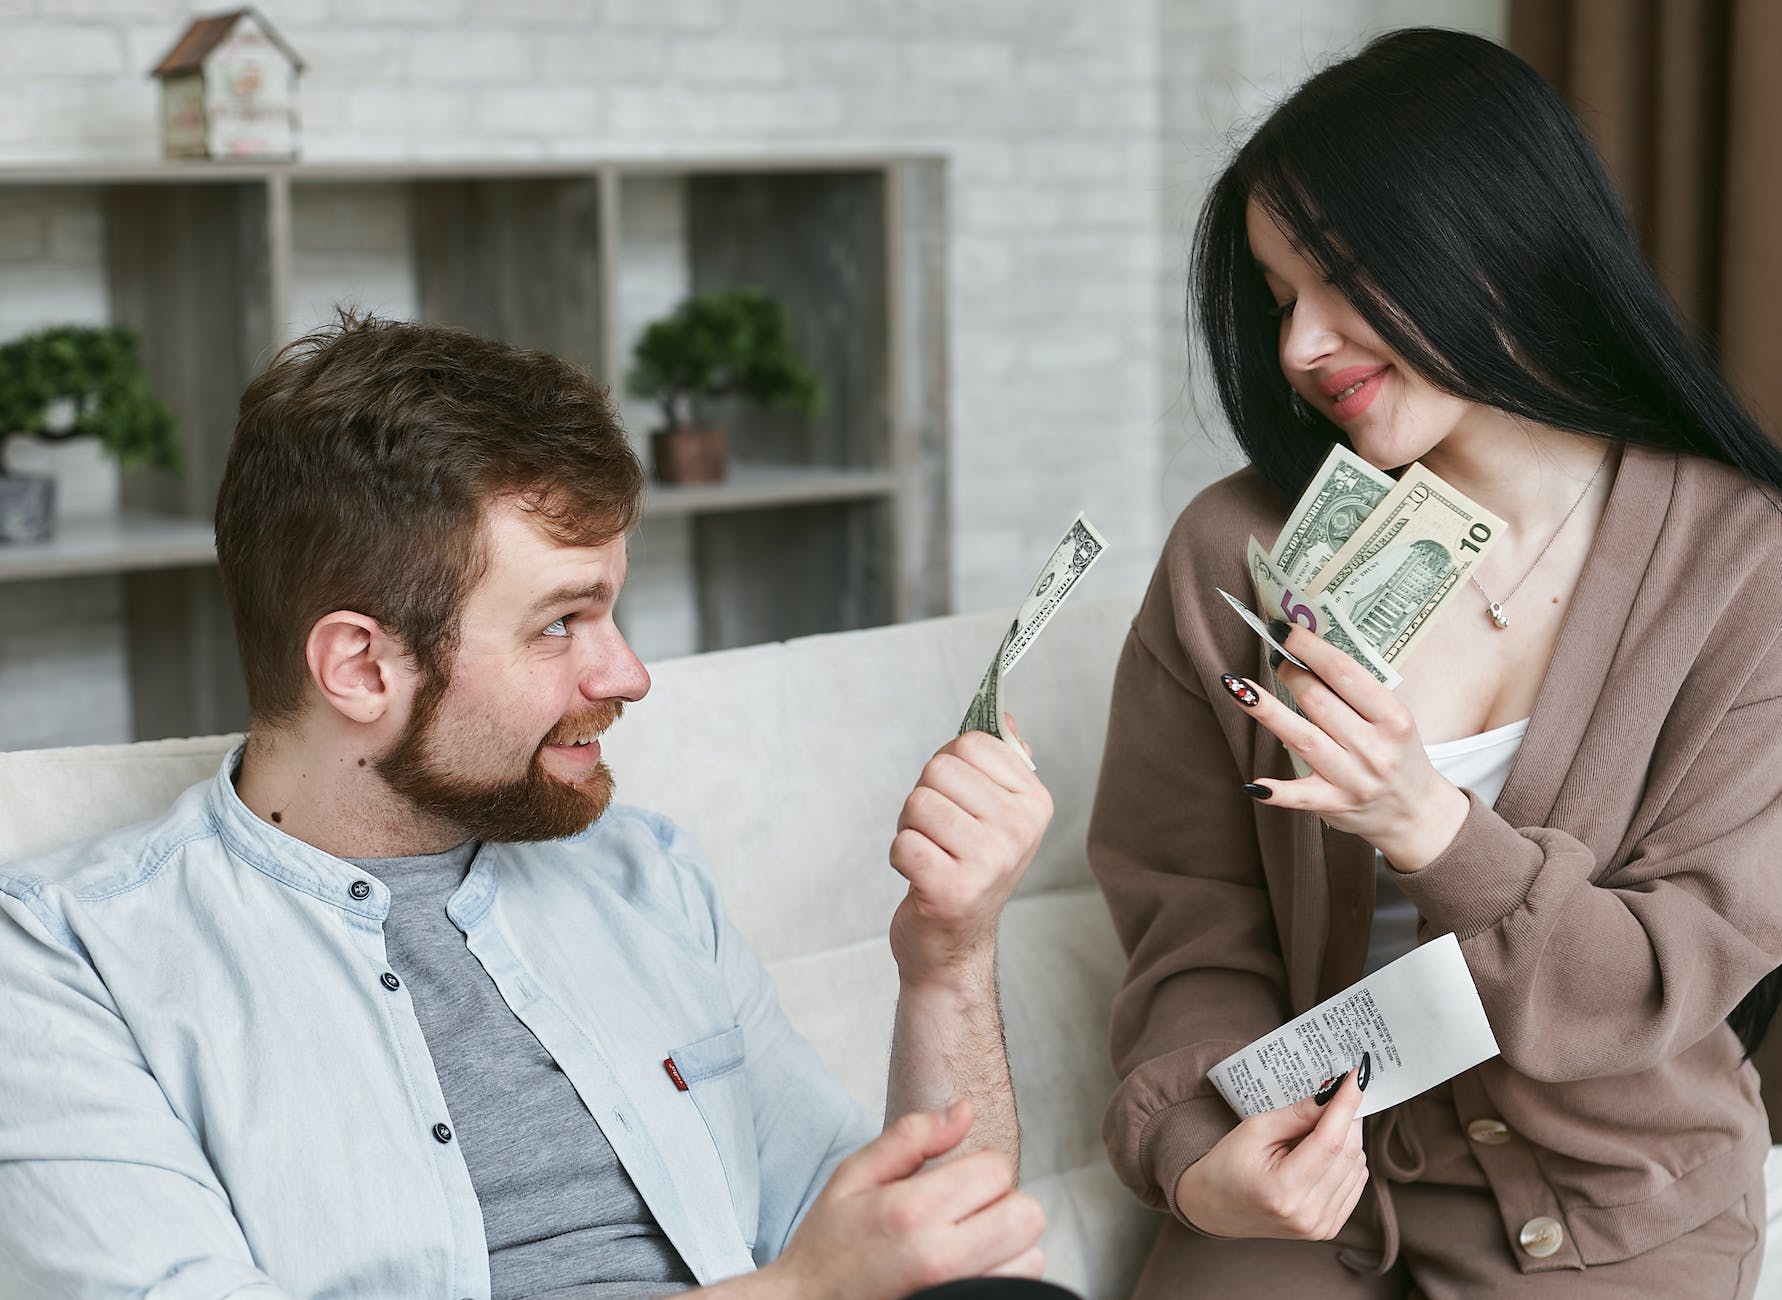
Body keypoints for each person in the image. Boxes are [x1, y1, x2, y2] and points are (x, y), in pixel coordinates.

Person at [0, 313, 1064, 1299]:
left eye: (611, 608)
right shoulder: (70, 960)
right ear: (362, 668)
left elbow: (922, 1245)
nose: (630, 673)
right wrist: (796, 1292)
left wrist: (949, 952)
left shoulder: (643, 874)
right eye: (561, 623)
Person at [1091, 27, 1782, 1299]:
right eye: (1279, 293)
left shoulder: (1744, 568)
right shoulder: (1235, 551)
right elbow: (1194, 925)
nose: (1301, 345)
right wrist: (1200, 1159)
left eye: (1346, 279)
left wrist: (1429, 827)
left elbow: (1666, 974)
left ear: (1503, 236)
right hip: (1302, 1190)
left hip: (1615, 1213)